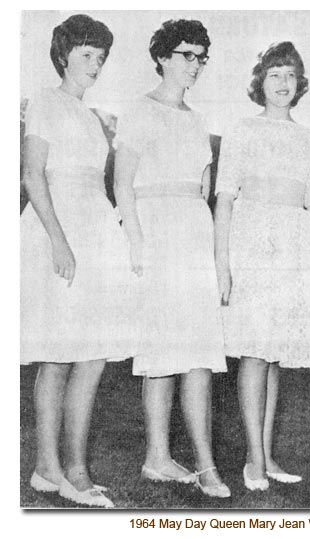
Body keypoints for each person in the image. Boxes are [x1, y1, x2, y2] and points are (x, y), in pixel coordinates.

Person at [21, 14, 136, 508]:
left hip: (95, 227)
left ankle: (68, 467)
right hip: (58, 229)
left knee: (91, 354)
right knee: (57, 355)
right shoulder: (45, 102)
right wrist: (59, 242)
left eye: (102, 57)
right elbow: (32, 176)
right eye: (87, 54)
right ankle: (55, 470)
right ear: (64, 53)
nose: (96, 64)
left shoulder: (92, 115)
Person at [114, 19, 230, 498]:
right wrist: (137, 243)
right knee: (160, 351)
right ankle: (157, 458)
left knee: (199, 350)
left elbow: (204, 187)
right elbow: (124, 184)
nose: (195, 65)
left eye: (201, 57)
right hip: (156, 231)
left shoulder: (198, 118)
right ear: (162, 56)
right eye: (187, 55)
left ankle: (205, 464)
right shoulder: (138, 111)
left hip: (193, 231)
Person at [214, 41, 310, 491]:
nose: (283, 83)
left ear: (300, 84)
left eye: (291, 75)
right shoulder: (241, 129)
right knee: (255, 350)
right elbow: (224, 198)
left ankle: (265, 453)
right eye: (275, 74)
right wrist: (222, 262)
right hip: (252, 240)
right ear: (260, 81)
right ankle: (254, 460)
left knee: (275, 352)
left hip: (295, 246)